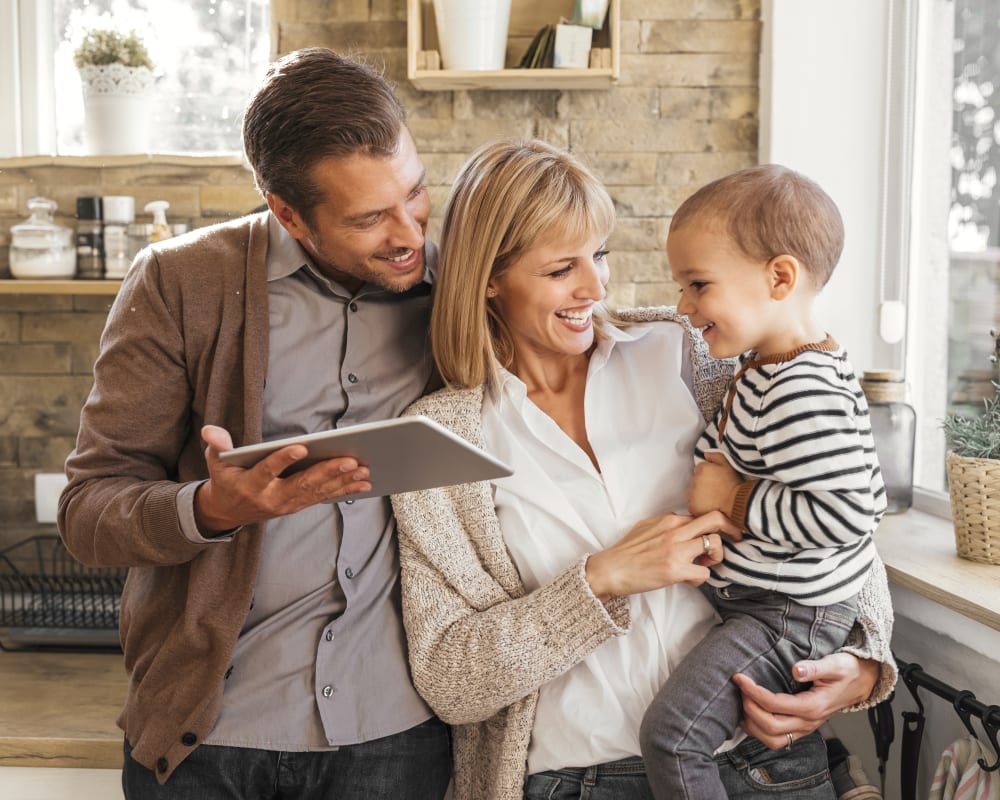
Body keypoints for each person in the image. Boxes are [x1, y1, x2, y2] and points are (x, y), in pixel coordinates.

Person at [390, 139, 897, 800]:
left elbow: (836, 504)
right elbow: (450, 679)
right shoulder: (440, 439)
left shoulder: (689, 352)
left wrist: (862, 663)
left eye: (599, 255)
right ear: (490, 276)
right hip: (579, 782)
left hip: (763, 767)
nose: (595, 287)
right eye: (561, 269)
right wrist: (602, 580)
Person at [57, 48, 451, 799]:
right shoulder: (182, 282)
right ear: (288, 213)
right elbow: (89, 510)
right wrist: (208, 510)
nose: (407, 233)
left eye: (415, 193)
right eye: (369, 217)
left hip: (396, 733)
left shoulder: (454, 281)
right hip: (209, 741)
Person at [637, 164, 888, 799]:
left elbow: (851, 515)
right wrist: (708, 518)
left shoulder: (802, 388)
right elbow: (727, 455)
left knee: (673, 737)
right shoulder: (764, 369)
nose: (683, 307)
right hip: (765, 602)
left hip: (787, 617)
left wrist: (735, 502)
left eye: (698, 285)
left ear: (780, 278)